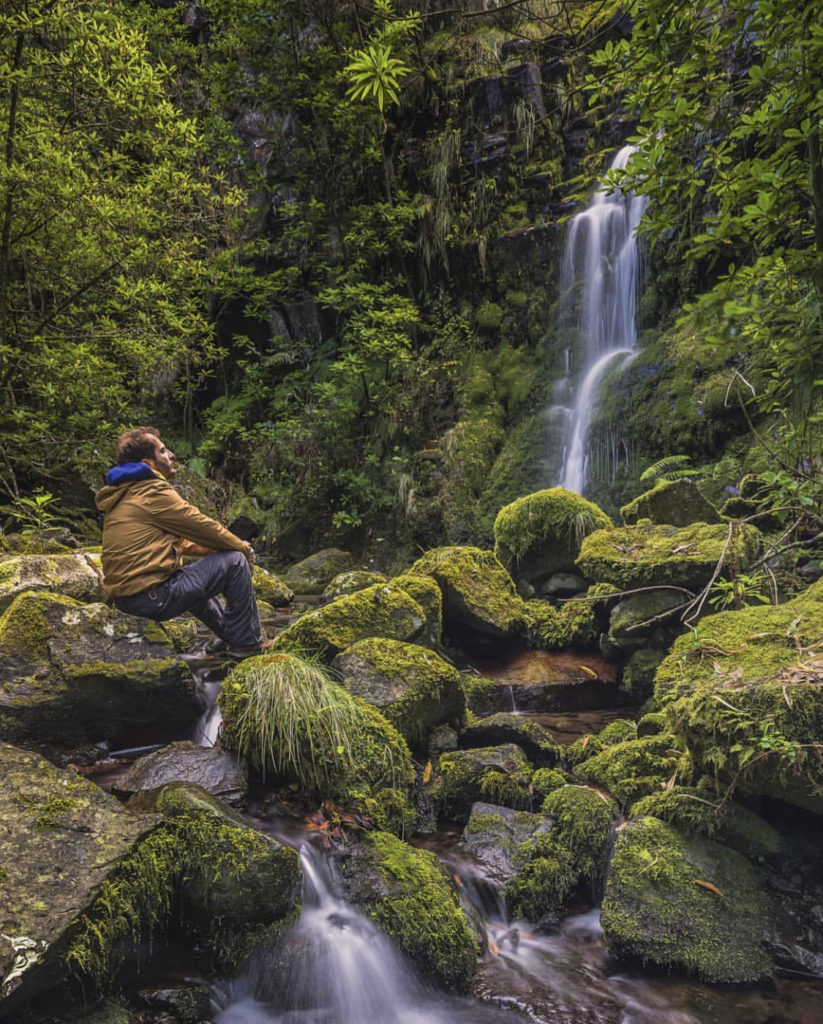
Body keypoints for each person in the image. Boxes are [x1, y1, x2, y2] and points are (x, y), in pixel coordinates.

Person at [95, 427, 269, 658]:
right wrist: (241, 547)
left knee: (189, 578)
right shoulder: (152, 491)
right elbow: (200, 525)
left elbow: (185, 544)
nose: (172, 455)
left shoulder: (127, 493)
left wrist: (222, 547)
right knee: (235, 562)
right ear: (149, 463)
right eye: (163, 450)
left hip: (128, 601)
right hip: (151, 599)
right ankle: (248, 645)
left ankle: (231, 636)